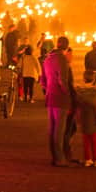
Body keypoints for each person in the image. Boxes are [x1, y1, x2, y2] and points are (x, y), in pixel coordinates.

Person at [41, 36, 74, 167]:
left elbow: (43, 81)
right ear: (66, 47)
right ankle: (60, 159)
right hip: (61, 99)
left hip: (50, 97)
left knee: (53, 129)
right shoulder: (62, 60)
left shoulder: (47, 59)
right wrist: (69, 96)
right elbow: (63, 81)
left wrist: (49, 90)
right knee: (59, 130)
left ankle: (55, 157)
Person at [75, 70, 96, 167]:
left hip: (84, 119)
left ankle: (87, 159)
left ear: (83, 79)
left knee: (85, 141)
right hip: (93, 119)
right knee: (94, 141)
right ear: (93, 79)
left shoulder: (79, 92)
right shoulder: (95, 92)